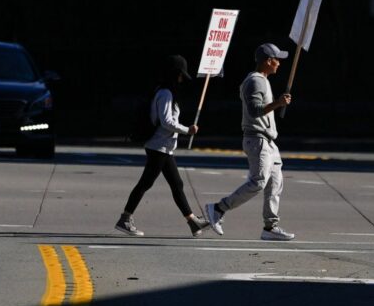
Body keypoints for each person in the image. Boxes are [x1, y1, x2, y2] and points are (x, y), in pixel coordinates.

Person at [204, 43, 294, 241]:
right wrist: (278, 103)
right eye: (277, 59)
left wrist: (277, 104)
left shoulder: (263, 80)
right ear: (268, 61)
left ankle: (270, 227)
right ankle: (218, 208)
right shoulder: (255, 81)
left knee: (275, 183)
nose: (279, 63)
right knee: (259, 181)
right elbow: (255, 111)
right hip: (258, 139)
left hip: (269, 141)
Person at [115, 55, 210, 237]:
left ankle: (193, 222)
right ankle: (125, 219)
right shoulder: (165, 93)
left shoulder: (163, 91)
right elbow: (166, 121)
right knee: (147, 183)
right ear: (175, 74)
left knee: (176, 183)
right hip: (158, 145)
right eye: (181, 75)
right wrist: (186, 130)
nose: (182, 79)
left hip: (163, 146)